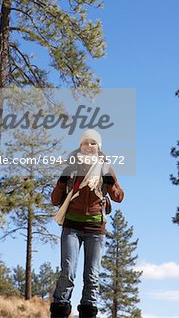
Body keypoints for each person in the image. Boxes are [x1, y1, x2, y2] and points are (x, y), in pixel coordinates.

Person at [50, 129, 124, 318]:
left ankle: (88, 312)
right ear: (80, 146)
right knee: (68, 272)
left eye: (93, 143)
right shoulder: (71, 166)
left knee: (92, 276)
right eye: (85, 143)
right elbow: (55, 200)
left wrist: (110, 183)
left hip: (95, 228)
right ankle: (60, 310)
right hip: (71, 226)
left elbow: (119, 197)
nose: (89, 146)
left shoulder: (105, 167)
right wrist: (61, 182)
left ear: (98, 147)